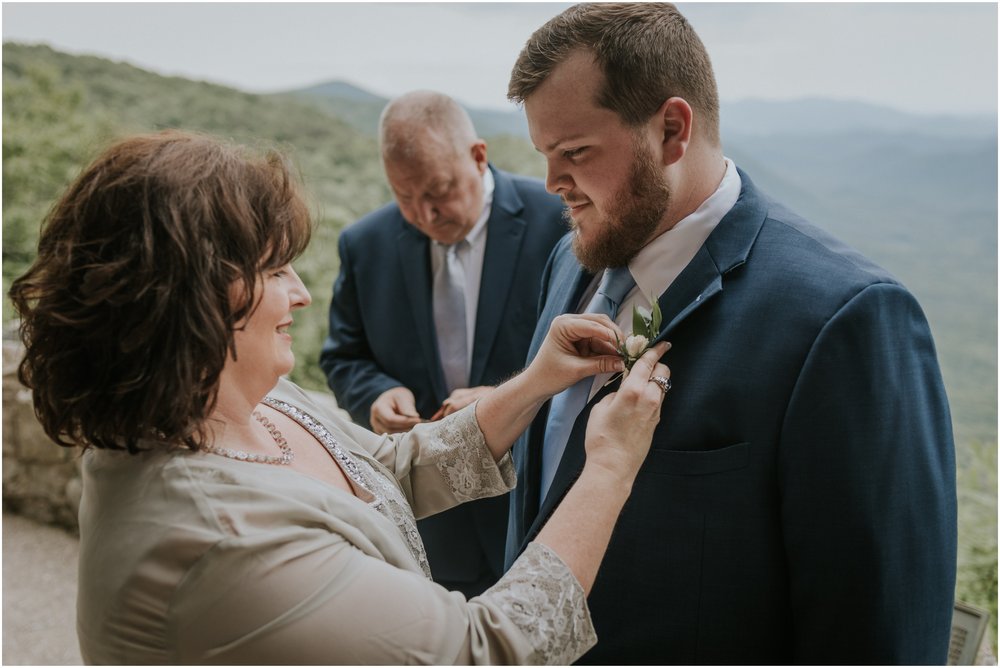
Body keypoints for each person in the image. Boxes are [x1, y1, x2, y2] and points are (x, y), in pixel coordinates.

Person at [9, 129, 673, 664]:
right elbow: (484, 652)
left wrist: (533, 382)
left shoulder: (244, 402)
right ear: (191, 301)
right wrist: (610, 465)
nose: (300, 292)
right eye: (273, 268)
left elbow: (383, 472)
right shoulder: (218, 545)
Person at [503, 3, 957, 664]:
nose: (552, 185)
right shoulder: (569, 259)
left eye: (574, 153)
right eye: (545, 155)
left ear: (671, 130)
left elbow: (879, 638)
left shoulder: (846, 322)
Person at [319, 90, 566, 596]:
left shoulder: (559, 221)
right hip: (432, 530)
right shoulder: (364, 244)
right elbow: (343, 356)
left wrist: (507, 400)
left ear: (478, 156)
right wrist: (376, 394)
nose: (424, 215)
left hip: (536, 508)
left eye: (439, 191)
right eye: (404, 197)